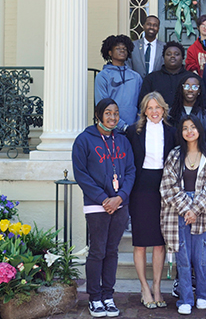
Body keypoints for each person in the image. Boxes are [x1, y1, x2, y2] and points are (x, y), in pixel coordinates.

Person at [72, 98, 136, 318]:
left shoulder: (123, 141)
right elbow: (82, 174)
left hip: (120, 204)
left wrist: (120, 198)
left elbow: (130, 171)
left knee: (112, 251)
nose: (113, 117)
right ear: (98, 115)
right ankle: (94, 297)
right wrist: (103, 199)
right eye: (108, 113)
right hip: (96, 205)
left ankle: (108, 295)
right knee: (97, 251)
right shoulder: (84, 140)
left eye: (116, 113)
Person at [160, 115, 206, 315]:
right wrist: (187, 208)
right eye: (185, 127)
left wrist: (195, 209)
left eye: (193, 127)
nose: (189, 131)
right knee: (183, 258)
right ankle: (185, 298)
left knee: (202, 257)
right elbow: (167, 186)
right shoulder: (174, 155)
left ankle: (203, 294)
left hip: (203, 212)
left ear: (200, 130)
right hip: (177, 210)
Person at [126, 92, 177, 309]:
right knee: (140, 242)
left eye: (158, 107)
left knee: (159, 242)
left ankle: (157, 287)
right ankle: (144, 287)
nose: (154, 112)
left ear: (164, 109)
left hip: (164, 187)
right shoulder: (132, 131)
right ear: (144, 111)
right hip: (140, 187)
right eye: (150, 108)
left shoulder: (172, 132)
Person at [95, 35, 143, 132]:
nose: (122, 51)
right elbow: (102, 105)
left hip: (133, 130)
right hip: (110, 129)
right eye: (118, 48)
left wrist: (137, 126)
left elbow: (141, 104)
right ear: (110, 53)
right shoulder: (103, 76)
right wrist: (123, 126)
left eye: (124, 49)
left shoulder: (136, 77)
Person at [169, 73, 206, 147]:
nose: (190, 90)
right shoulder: (170, 114)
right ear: (181, 89)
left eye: (195, 87)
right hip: (175, 156)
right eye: (187, 86)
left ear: (199, 91)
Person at [139, 41, 190, 107]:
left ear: (182, 57)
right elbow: (143, 103)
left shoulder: (190, 78)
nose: (172, 56)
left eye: (176, 54)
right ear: (163, 57)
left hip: (186, 117)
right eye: (168, 54)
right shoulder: (151, 78)